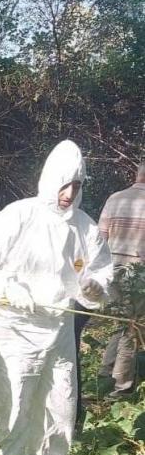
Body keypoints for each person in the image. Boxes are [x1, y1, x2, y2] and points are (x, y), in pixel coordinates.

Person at [0, 140, 112, 455]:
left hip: (59, 329)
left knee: (60, 404)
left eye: (76, 185)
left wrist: (96, 289)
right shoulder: (19, 215)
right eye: (64, 184)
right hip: (14, 327)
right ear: (49, 180)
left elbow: (101, 273)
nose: (69, 193)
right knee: (14, 404)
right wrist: (6, 287)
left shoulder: (85, 227)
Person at [97, 162, 145, 398]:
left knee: (121, 323)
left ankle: (105, 376)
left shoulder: (115, 198)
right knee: (130, 326)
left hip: (111, 269)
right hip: (138, 273)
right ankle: (121, 386)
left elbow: (100, 237)